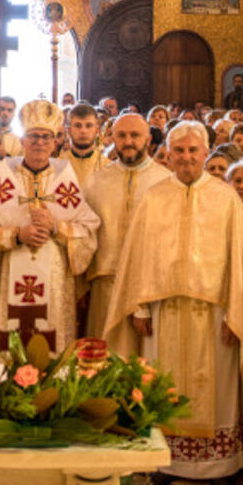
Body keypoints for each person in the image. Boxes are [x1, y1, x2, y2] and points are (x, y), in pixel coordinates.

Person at [105, 123, 243, 485]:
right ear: (166, 153)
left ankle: (220, 466)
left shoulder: (226, 197)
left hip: (213, 312)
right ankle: (163, 460)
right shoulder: (154, 196)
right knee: (162, 385)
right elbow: (139, 256)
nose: (186, 157)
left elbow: (237, 262)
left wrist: (235, 313)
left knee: (217, 390)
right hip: (162, 311)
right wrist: (139, 308)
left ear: (206, 152)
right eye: (178, 151)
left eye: (192, 150)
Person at [0, 99, 100, 351]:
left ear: (56, 142)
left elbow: (90, 229)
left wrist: (57, 227)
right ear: (22, 141)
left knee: (52, 345)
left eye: (47, 137)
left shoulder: (64, 180)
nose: (40, 142)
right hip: (11, 273)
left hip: (55, 280)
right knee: (12, 347)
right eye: (33, 136)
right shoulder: (4, 178)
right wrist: (14, 236)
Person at [81, 111, 167, 354]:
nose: (128, 141)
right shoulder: (96, 182)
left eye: (135, 135)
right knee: (103, 360)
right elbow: (85, 236)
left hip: (148, 289)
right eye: (122, 135)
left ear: (149, 139)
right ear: (112, 138)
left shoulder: (165, 182)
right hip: (104, 286)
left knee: (146, 364)